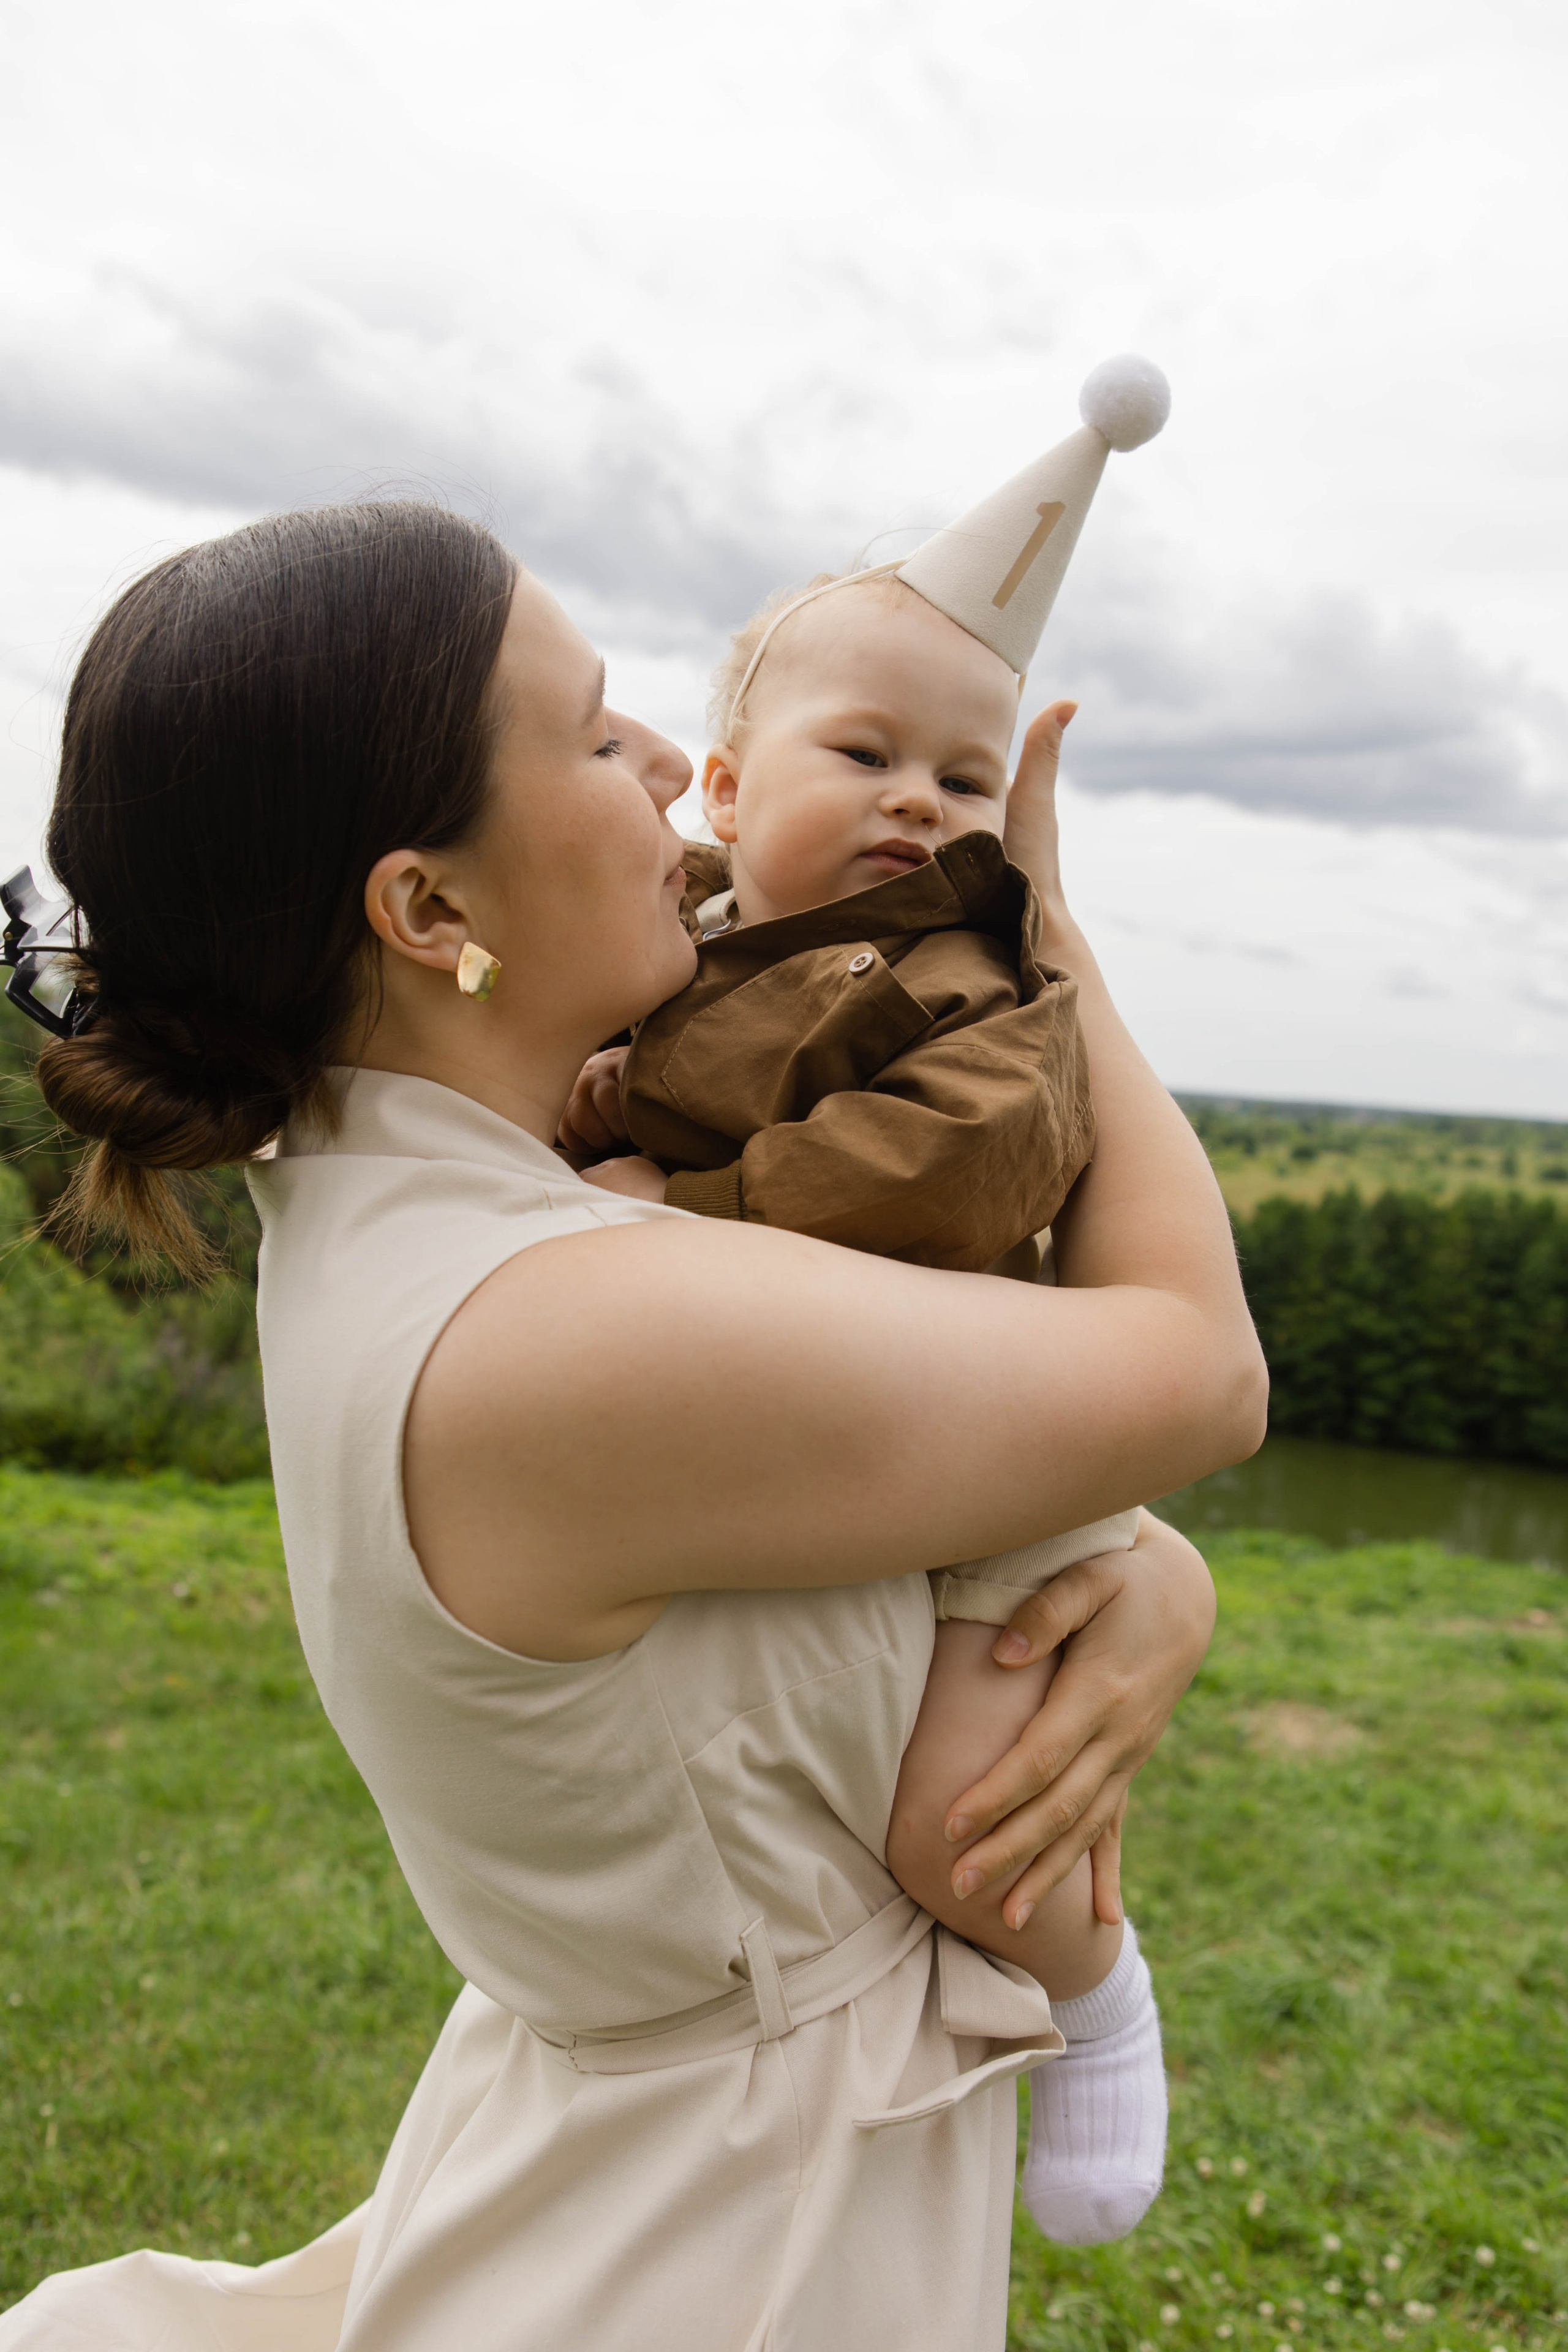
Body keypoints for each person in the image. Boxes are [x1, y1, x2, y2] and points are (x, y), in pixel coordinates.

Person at [0, 500, 1264, 2352]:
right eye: (597, 736)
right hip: (727, 2253)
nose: (675, 761)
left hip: (657, 2182)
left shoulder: (441, 1216)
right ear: (432, 912)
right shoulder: (555, 1326)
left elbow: (852, 1517)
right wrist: (1046, 933)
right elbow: (1200, 1372)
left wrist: (1147, 1569)